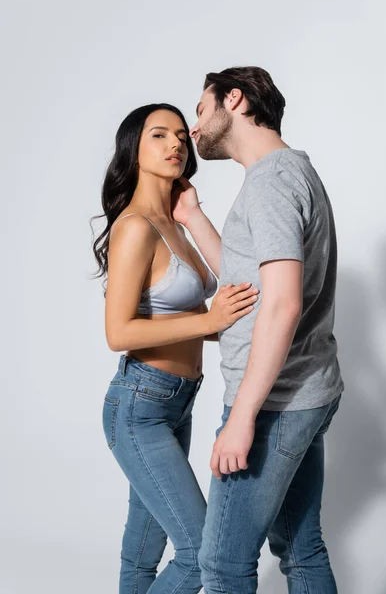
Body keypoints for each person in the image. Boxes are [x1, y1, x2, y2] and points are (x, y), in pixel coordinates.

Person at [172, 66, 344, 594]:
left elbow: (283, 304)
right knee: (300, 546)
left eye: (200, 111)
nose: (193, 130)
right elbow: (252, 285)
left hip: (273, 404)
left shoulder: (271, 182)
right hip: (305, 392)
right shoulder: (287, 173)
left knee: (222, 565)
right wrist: (194, 217)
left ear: (235, 99)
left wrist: (242, 417)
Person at [91, 102, 258, 594]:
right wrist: (210, 319)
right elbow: (118, 333)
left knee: (143, 551)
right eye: (159, 136)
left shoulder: (175, 224)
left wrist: (216, 325)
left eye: (182, 136)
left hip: (176, 403)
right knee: (201, 553)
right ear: (134, 150)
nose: (176, 145)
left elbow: (173, 318)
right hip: (140, 403)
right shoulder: (135, 226)